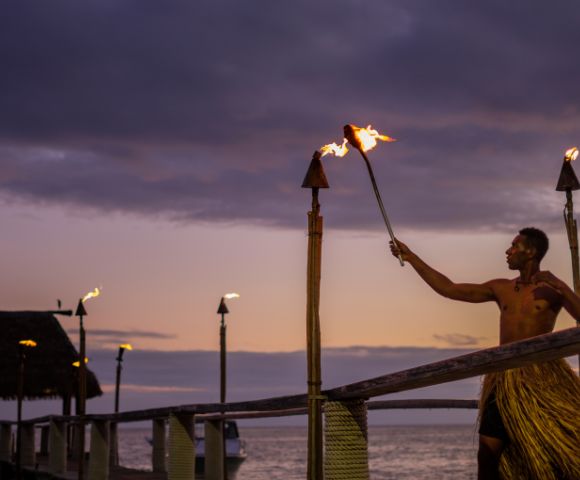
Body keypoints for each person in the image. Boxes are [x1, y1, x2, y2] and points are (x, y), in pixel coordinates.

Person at [390, 227, 580, 480]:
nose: (508, 250)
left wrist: (562, 287)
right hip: (503, 382)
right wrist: (412, 257)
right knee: (487, 455)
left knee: (555, 452)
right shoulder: (500, 288)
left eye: (514, 246)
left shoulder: (552, 290)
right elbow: (450, 288)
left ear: (531, 252)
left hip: (543, 381)